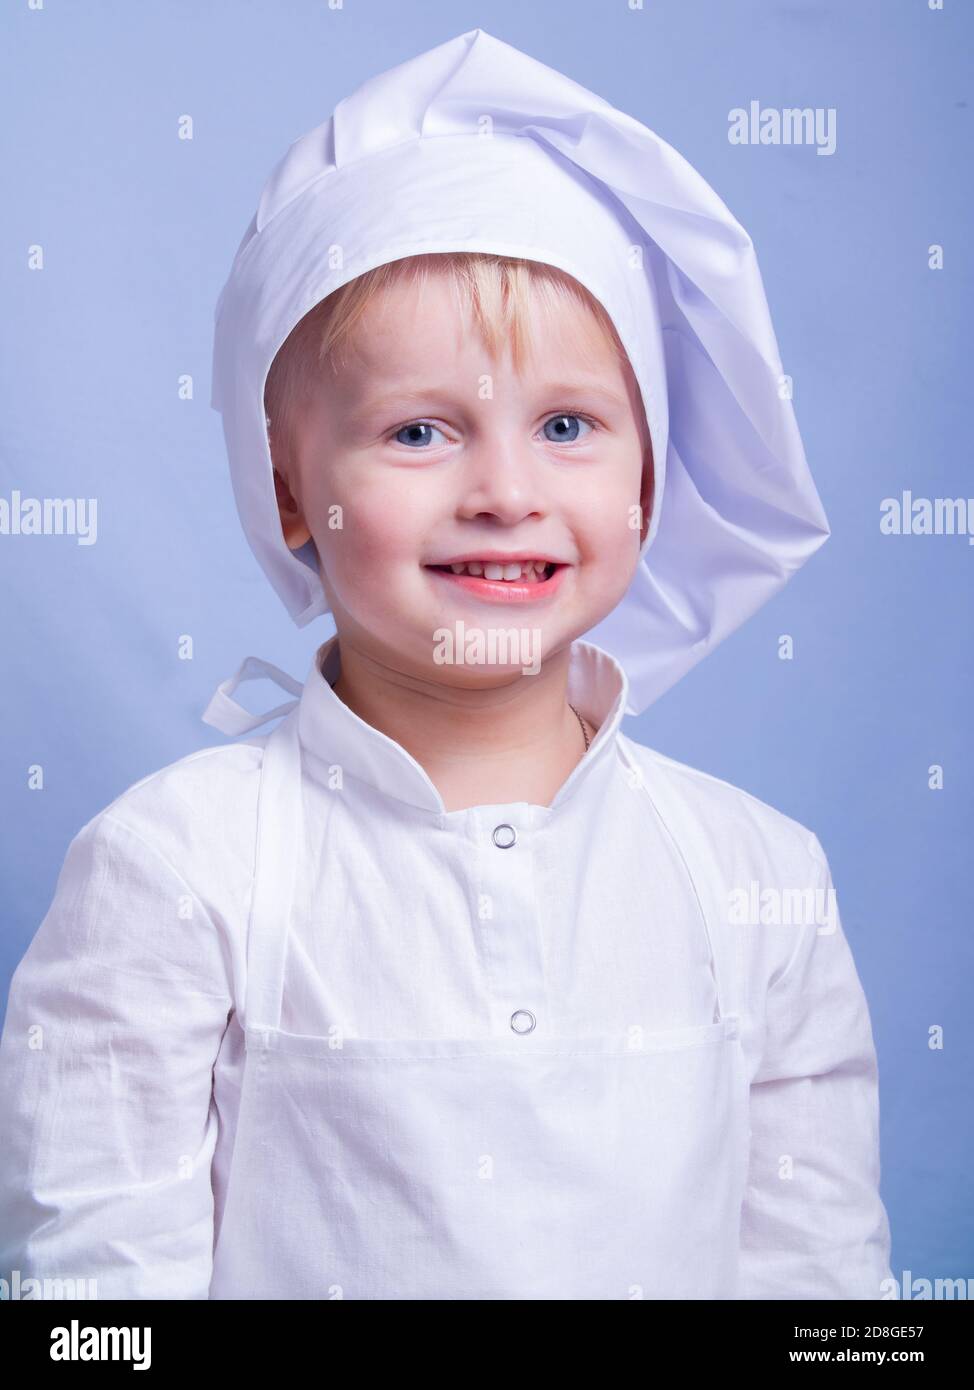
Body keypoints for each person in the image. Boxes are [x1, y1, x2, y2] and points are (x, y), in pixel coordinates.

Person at [0, 27, 893, 1300]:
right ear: (291, 486)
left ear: (646, 476)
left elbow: (825, 1297)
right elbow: (92, 1306)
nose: (504, 491)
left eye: (568, 425)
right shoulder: (174, 870)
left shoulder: (757, 880)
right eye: (419, 429)